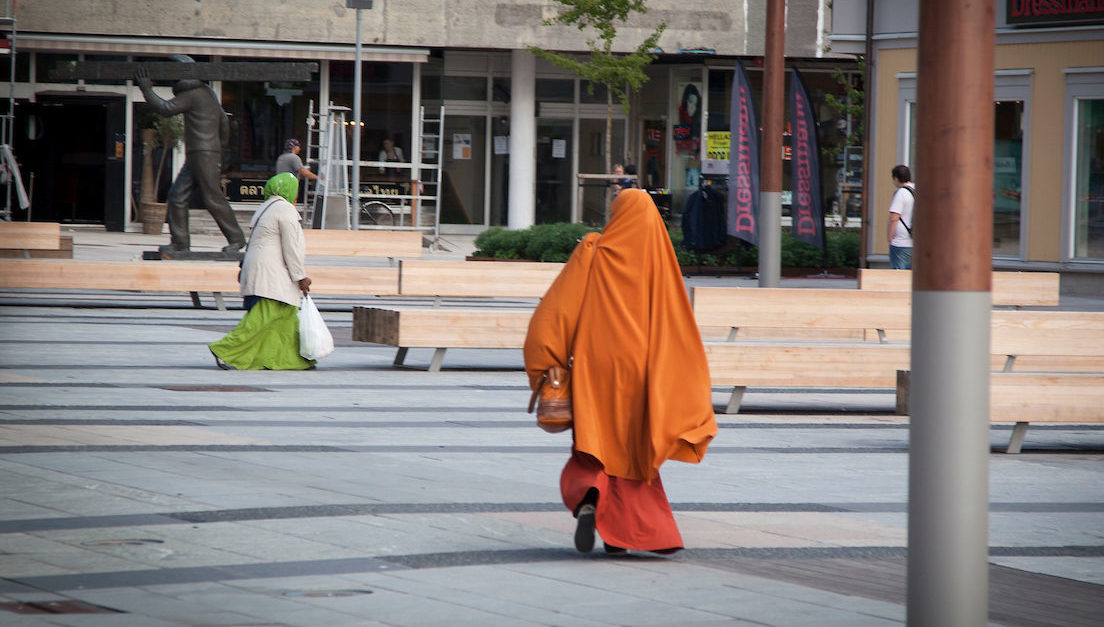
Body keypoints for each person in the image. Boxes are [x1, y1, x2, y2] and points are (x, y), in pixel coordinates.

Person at [524, 188, 717, 555]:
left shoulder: (594, 251)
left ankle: (589, 495)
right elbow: (676, 325)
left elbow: (556, 313)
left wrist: (546, 364)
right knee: (632, 452)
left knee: (595, 444)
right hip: (641, 372)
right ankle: (630, 534)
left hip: (594, 368)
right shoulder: (659, 262)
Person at [208, 173, 315, 371]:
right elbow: (292, 248)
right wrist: (300, 276)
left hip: (264, 271)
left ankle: (294, 359)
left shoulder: (267, 207)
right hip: (272, 275)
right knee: (261, 319)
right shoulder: (285, 210)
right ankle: (225, 350)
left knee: (286, 317)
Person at [135, 64, 246, 254]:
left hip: (203, 153)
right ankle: (180, 242)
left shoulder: (193, 93)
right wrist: (219, 145)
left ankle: (236, 239)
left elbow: (166, 108)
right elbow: (224, 121)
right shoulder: (208, 92)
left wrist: (146, 89)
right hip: (201, 153)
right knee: (177, 197)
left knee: (212, 198)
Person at [887, 164, 916, 270]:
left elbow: (894, 218)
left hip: (901, 242)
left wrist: (890, 236)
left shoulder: (901, 193)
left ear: (896, 178)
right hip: (915, 240)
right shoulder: (917, 190)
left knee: (899, 274)